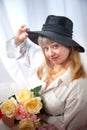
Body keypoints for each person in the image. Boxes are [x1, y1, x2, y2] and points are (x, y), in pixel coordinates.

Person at [2, 15, 87, 130]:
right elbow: (17, 51)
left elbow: (74, 126)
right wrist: (18, 40)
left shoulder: (78, 85)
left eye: (55, 46)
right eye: (46, 48)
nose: (50, 53)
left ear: (69, 46)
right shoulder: (41, 58)